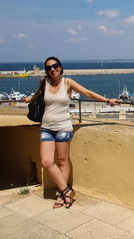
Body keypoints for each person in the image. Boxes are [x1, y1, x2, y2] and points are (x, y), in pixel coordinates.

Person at [24, 57, 118, 209]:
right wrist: (29, 98)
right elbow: (36, 95)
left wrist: (107, 101)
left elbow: (87, 93)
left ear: (60, 67)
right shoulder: (44, 83)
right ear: (46, 70)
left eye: (55, 66)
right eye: (48, 67)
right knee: (47, 161)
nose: (52, 69)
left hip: (63, 126)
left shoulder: (68, 83)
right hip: (46, 127)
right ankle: (67, 191)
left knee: (62, 160)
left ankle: (62, 195)